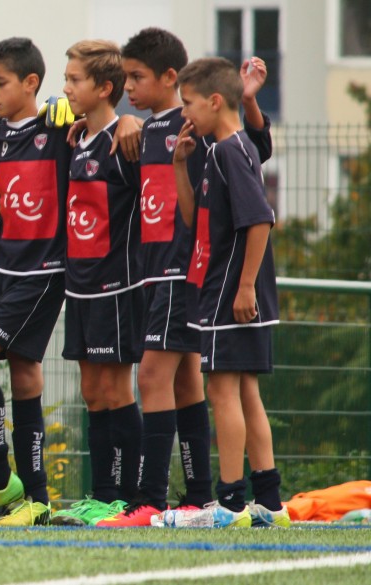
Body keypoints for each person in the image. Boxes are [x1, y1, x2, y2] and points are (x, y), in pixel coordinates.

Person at [98, 28, 274, 527]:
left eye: (136, 77)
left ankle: (155, 499)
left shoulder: (201, 123)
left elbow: (255, 149)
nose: (126, 86)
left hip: (187, 270)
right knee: (186, 384)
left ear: (172, 79)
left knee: (157, 376)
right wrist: (122, 121)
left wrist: (251, 99)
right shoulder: (150, 130)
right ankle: (199, 496)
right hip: (157, 272)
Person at [161, 57, 286, 528]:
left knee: (223, 391)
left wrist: (245, 286)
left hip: (230, 295)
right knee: (247, 391)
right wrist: (178, 166)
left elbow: (259, 220)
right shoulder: (217, 151)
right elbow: (197, 222)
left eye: (188, 104)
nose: (184, 114)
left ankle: (231, 504)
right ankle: (270, 503)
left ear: (214, 101)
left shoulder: (232, 149)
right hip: (231, 293)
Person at [0, 37, 73, 526]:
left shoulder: (59, 124)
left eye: (0, 82)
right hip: (3, 267)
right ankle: (38, 501)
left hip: (42, 271)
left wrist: (77, 108)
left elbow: (102, 114)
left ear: (31, 83)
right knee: (24, 371)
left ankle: (1, 482)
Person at [49, 40, 143, 527]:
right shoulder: (74, 135)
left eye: (74, 80)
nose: (65, 88)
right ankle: (102, 497)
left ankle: (131, 499)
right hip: (79, 286)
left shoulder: (127, 139)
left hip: (117, 285)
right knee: (90, 391)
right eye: (65, 79)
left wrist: (130, 118)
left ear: (104, 88)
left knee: (116, 388)